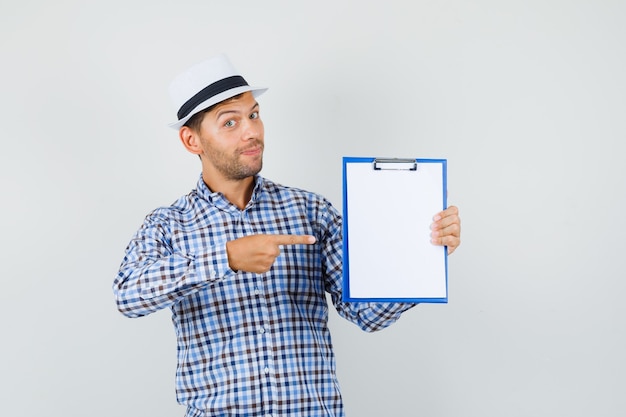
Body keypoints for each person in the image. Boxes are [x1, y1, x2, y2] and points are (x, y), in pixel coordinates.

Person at [113, 54, 461, 417]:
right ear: (191, 140)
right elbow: (127, 295)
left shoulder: (309, 211)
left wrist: (423, 252)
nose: (251, 131)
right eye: (229, 122)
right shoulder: (168, 225)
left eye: (253, 114)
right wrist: (227, 258)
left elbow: (366, 313)